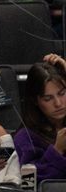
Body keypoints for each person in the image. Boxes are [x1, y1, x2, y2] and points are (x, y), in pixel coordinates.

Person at [13, 54, 66, 182]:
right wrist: (57, 151)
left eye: (62, 93)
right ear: (35, 101)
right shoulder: (25, 137)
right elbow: (28, 183)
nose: (58, 103)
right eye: (48, 98)